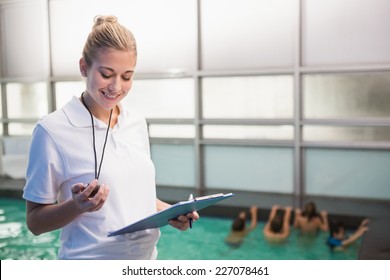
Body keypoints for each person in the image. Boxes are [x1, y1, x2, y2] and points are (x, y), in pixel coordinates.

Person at [22, 15, 199, 260]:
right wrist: (77, 206)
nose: (116, 87)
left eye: (127, 76)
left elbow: (135, 196)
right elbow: (35, 222)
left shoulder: (136, 122)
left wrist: (172, 213)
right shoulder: (51, 131)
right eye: (106, 74)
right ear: (84, 67)